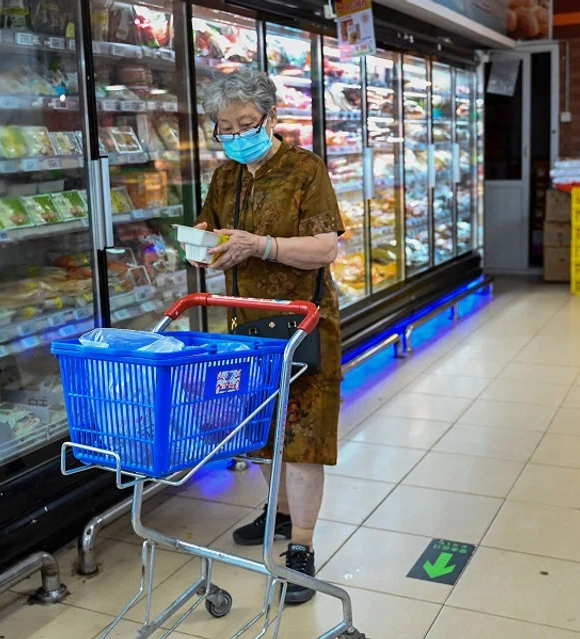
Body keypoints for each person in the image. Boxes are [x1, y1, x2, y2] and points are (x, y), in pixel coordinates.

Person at [192, 68, 343, 605]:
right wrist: (201, 243)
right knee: (258, 427)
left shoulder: (305, 171)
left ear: (271, 118)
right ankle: (278, 514)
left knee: (301, 440)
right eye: (224, 127)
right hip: (244, 326)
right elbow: (208, 233)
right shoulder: (224, 178)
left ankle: (301, 545)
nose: (234, 135)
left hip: (303, 323)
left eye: (245, 124)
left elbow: (326, 248)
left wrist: (262, 245)